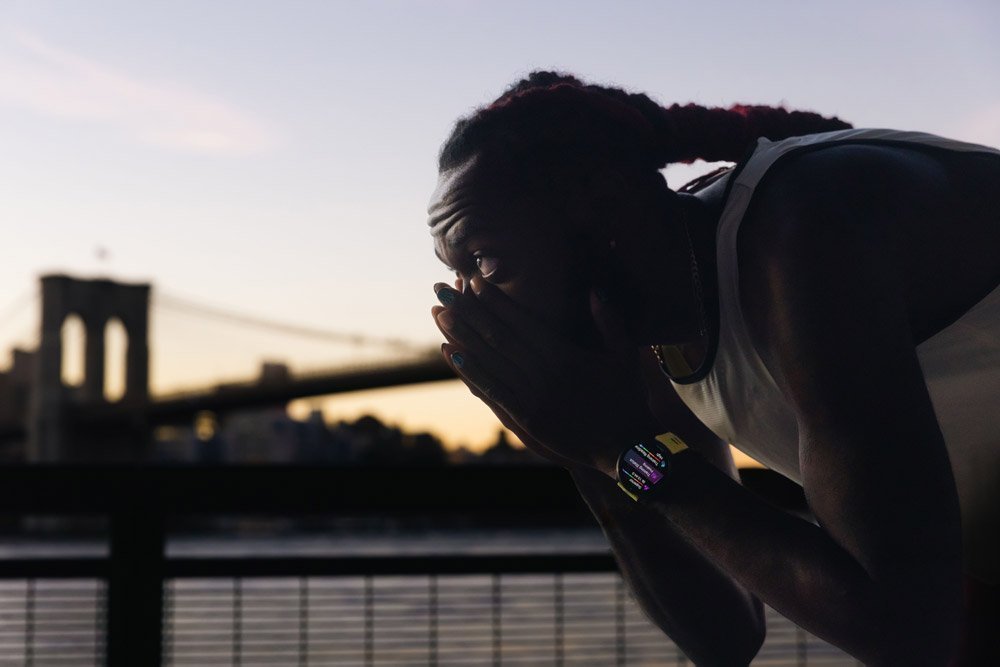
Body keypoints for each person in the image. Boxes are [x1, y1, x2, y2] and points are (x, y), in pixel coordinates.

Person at [427, 71, 999, 665]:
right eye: (457, 274)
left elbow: (906, 628)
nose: (473, 305)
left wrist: (621, 448)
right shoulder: (653, 331)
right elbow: (726, 636)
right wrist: (584, 450)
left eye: (484, 260)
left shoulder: (801, 232)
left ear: (602, 203)